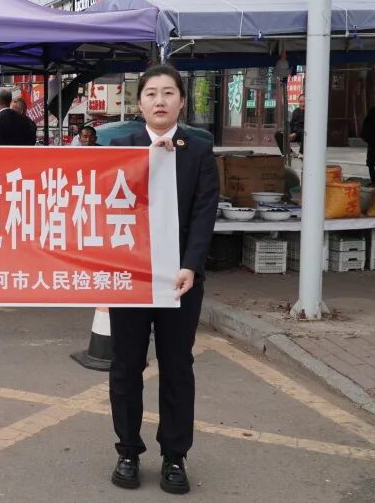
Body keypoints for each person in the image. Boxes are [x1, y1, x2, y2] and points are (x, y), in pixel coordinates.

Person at [106, 64, 219, 495]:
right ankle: (128, 451)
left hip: (180, 280)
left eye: (168, 93)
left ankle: (175, 456)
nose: (160, 100)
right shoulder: (119, 148)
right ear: (139, 103)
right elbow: (102, 210)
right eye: (151, 93)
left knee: (176, 366)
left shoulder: (199, 150)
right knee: (126, 365)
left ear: (181, 102)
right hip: (131, 277)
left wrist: (191, 264)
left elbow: (204, 212)